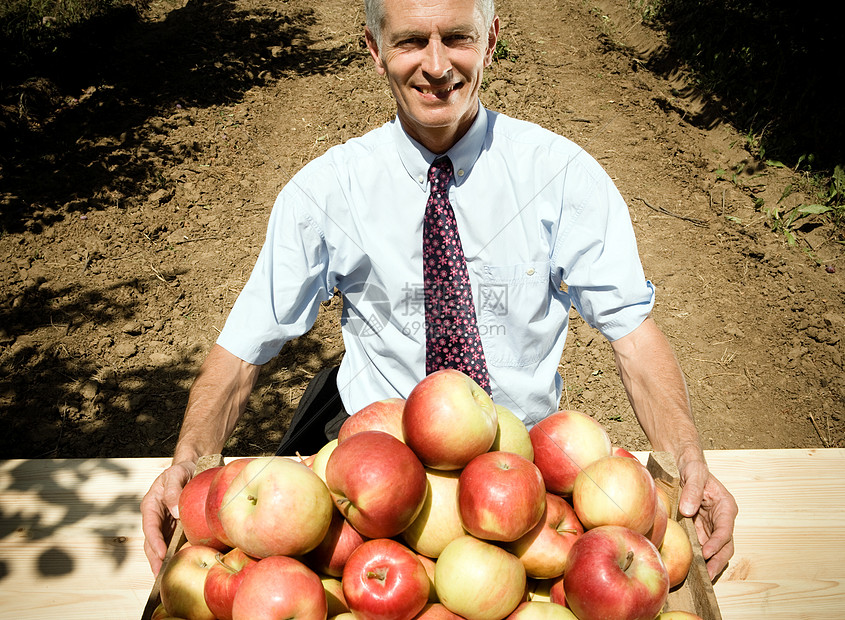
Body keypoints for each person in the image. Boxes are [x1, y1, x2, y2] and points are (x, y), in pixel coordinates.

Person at [141, 0, 737, 581]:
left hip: (523, 473)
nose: (435, 64)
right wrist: (190, 461)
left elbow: (632, 332)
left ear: (492, 38)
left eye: (457, 37)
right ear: (374, 49)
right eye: (409, 41)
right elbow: (246, 346)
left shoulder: (562, 177)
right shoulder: (326, 192)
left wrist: (686, 456)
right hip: (373, 470)